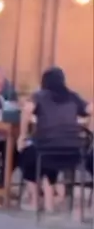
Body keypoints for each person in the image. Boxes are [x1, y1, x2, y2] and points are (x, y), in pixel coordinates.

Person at [18, 67, 92, 212]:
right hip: (73, 153)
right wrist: (89, 129)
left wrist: (22, 135)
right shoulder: (72, 96)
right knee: (48, 157)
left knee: (26, 156)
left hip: (46, 149)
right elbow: (92, 109)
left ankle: (35, 201)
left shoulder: (40, 96)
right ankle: (49, 201)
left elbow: (27, 110)